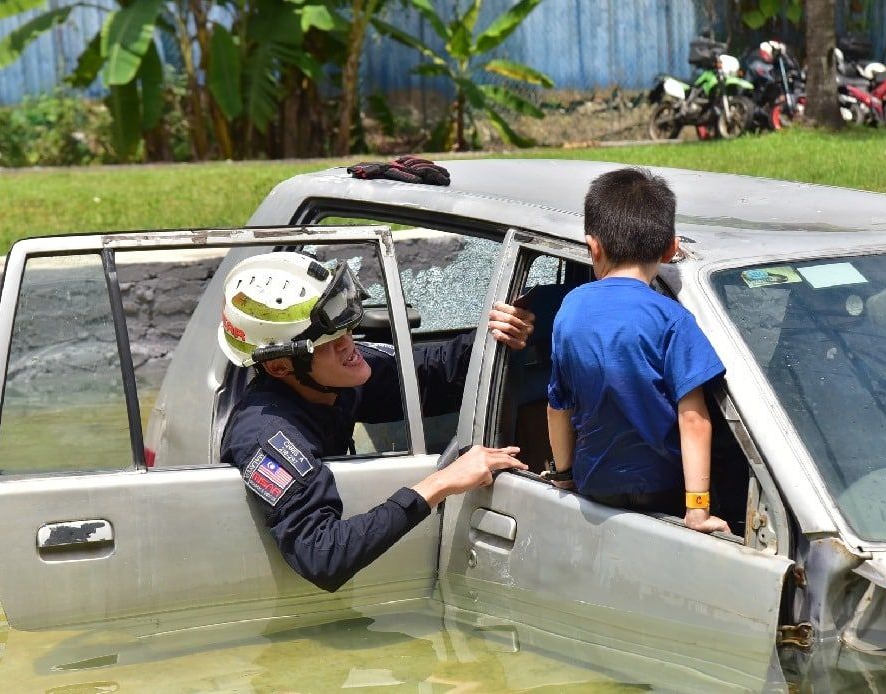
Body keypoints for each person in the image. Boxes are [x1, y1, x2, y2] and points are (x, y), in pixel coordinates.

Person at [218, 250, 533, 591]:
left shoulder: (331, 377)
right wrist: (439, 484)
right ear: (280, 367)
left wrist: (505, 330)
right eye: (329, 341)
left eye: (345, 328)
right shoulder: (266, 436)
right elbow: (321, 555)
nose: (349, 344)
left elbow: (437, 372)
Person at [545, 168, 731, 533]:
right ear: (671, 248)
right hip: (663, 487)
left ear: (592, 247)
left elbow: (557, 408)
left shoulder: (570, 309)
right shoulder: (673, 319)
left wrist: (564, 475)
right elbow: (694, 419)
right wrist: (697, 509)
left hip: (595, 486)